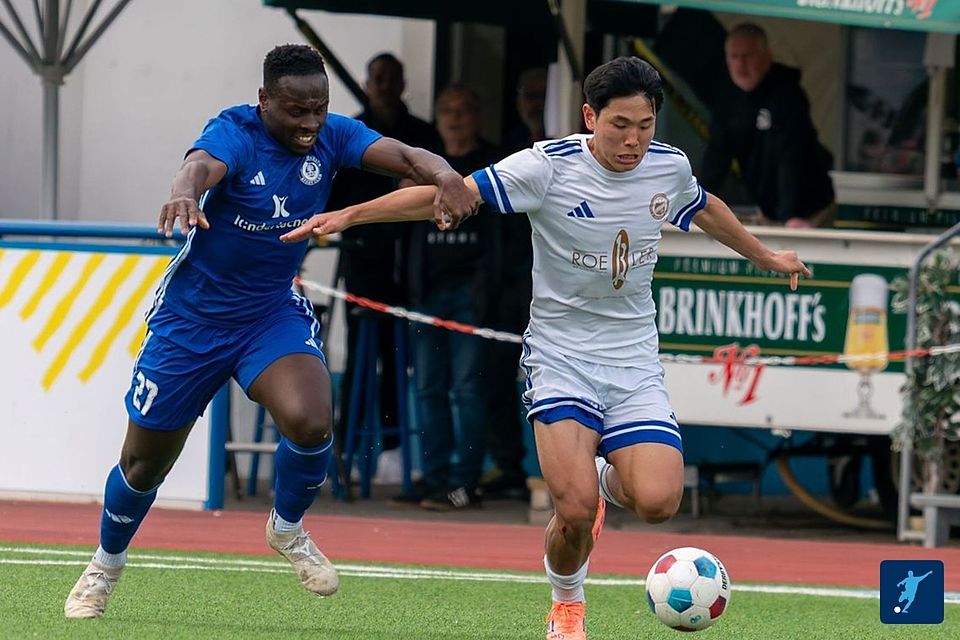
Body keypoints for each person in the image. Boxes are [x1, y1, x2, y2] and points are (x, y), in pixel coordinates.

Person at [282, 56, 810, 639]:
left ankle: (606, 478)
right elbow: (451, 190)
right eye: (619, 125)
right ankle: (567, 604)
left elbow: (704, 205)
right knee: (574, 511)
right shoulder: (546, 167)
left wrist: (765, 255)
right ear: (590, 116)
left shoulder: (669, 166)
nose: (633, 140)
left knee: (660, 501)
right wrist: (351, 216)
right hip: (560, 357)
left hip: (633, 359)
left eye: (645, 124)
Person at [63, 43, 476, 619]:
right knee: (144, 463)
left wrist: (446, 175)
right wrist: (184, 191)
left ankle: (286, 527)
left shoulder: (334, 134)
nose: (309, 123)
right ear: (264, 102)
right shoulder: (235, 129)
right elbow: (200, 165)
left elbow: (407, 156)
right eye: (295, 110)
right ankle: (105, 563)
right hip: (193, 320)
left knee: (310, 419)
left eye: (318, 109)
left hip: (268, 314)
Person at [326, 52, 442, 486]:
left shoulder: (420, 135)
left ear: (402, 83)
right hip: (363, 261)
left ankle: (396, 450)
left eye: (392, 78)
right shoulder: (350, 133)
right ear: (367, 82)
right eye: (377, 78)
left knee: (402, 358)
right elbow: (332, 199)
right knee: (359, 357)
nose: (384, 85)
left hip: (412, 263)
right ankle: (347, 452)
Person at [396, 84, 502, 511]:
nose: (455, 119)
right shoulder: (425, 164)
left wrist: (493, 290)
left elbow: (505, 239)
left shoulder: (492, 165)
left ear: (477, 116)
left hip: (471, 297)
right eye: (447, 111)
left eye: (464, 110)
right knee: (426, 388)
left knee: (466, 390)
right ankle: (434, 476)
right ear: (437, 118)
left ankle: (465, 482)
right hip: (427, 293)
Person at [480, 68, 548, 501]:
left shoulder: (574, 152)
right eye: (527, 93)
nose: (534, 101)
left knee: (549, 385)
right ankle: (509, 467)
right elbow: (467, 193)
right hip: (503, 281)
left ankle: (569, 475)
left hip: (553, 288)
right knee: (495, 378)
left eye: (543, 94)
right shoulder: (508, 147)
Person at [700, 22, 836, 228]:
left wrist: (791, 214)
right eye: (734, 57)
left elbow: (791, 157)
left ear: (767, 57)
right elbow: (716, 158)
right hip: (769, 209)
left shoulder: (788, 94)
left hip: (809, 210)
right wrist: (696, 206)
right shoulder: (727, 99)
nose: (740, 65)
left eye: (748, 56)